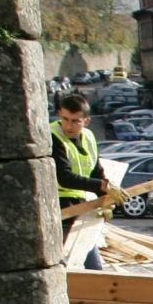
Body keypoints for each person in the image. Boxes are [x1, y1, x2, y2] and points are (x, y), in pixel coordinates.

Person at [51, 93, 114, 271]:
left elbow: (96, 169)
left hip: (81, 207)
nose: (68, 126)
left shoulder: (88, 137)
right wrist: (100, 186)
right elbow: (63, 176)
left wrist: (106, 198)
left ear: (86, 121)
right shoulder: (52, 136)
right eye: (65, 119)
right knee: (65, 266)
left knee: (93, 267)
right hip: (59, 208)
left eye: (75, 121)